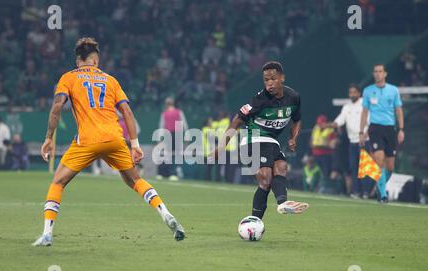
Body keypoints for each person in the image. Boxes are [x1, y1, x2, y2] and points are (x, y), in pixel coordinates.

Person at [33, 38, 185, 246]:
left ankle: (47, 233)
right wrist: (135, 144)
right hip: (114, 138)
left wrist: (49, 138)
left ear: (79, 61)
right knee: (135, 180)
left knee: (58, 182)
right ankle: (165, 213)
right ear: (95, 60)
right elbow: (127, 111)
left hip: (87, 140)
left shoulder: (68, 78)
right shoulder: (110, 80)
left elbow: (58, 105)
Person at [212, 61, 309, 218]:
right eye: (266, 80)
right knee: (265, 175)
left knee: (281, 167)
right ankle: (278, 206)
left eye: (273, 78)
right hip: (252, 140)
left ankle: (277, 207)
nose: (269, 83)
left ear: (282, 78)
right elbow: (237, 120)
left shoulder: (293, 97)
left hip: (271, 141)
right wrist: (221, 147)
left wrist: (293, 138)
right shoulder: (259, 100)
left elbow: (297, 120)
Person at [360, 64, 404, 203]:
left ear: (385, 74)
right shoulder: (367, 91)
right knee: (379, 160)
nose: (378, 74)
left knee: (390, 167)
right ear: (374, 74)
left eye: (380, 71)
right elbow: (365, 112)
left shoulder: (393, 90)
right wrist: (361, 132)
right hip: (375, 128)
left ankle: (379, 188)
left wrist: (401, 129)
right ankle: (383, 195)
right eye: (376, 72)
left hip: (390, 129)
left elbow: (398, 110)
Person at [326, 84, 372, 198]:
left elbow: (371, 123)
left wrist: (365, 136)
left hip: (364, 141)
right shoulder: (347, 107)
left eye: (354, 92)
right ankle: (356, 192)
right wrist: (332, 124)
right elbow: (340, 120)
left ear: (359, 93)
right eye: (350, 92)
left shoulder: (364, 105)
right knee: (353, 167)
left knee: (365, 168)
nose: (352, 94)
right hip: (352, 142)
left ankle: (366, 192)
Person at [157, 97, 189, 181]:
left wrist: (159, 139)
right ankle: (172, 173)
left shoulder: (164, 113)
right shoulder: (179, 112)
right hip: (177, 134)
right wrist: (187, 135)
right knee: (175, 155)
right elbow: (184, 124)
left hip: (168, 134)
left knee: (167, 154)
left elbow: (161, 126)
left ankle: (163, 173)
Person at [310, 115, 336, 179]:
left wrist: (324, 144)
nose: (320, 125)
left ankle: (326, 187)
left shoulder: (330, 130)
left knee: (326, 173)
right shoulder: (316, 128)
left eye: (321, 123)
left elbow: (333, 145)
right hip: (315, 154)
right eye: (319, 123)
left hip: (325, 155)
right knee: (317, 173)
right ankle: (319, 187)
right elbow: (311, 140)